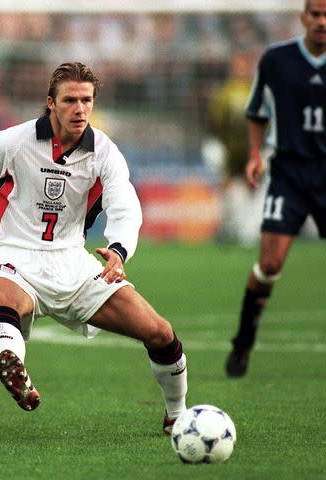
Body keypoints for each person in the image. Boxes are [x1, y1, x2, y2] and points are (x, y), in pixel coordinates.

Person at [0, 62, 188, 434]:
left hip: (74, 263)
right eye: (70, 100)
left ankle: (178, 416)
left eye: (87, 100)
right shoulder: (11, 142)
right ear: (50, 103)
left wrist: (119, 250)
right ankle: (12, 363)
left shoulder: (104, 151)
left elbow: (124, 204)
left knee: (161, 333)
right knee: (1, 299)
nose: (80, 108)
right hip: (14, 256)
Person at [225, 0, 326, 377]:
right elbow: (256, 112)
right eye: (315, 14)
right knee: (269, 263)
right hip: (290, 173)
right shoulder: (277, 61)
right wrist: (255, 154)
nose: (321, 21)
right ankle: (244, 340)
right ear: (303, 17)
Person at [206, 50, 264, 247]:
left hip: (252, 150)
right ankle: (233, 228)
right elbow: (215, 124)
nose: (240, 68)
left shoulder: (255, 90)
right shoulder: (224, 93)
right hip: (231, 149)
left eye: (243, 64)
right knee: (231, 189)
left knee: (253, 190)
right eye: (237, 64)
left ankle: (247, 230)